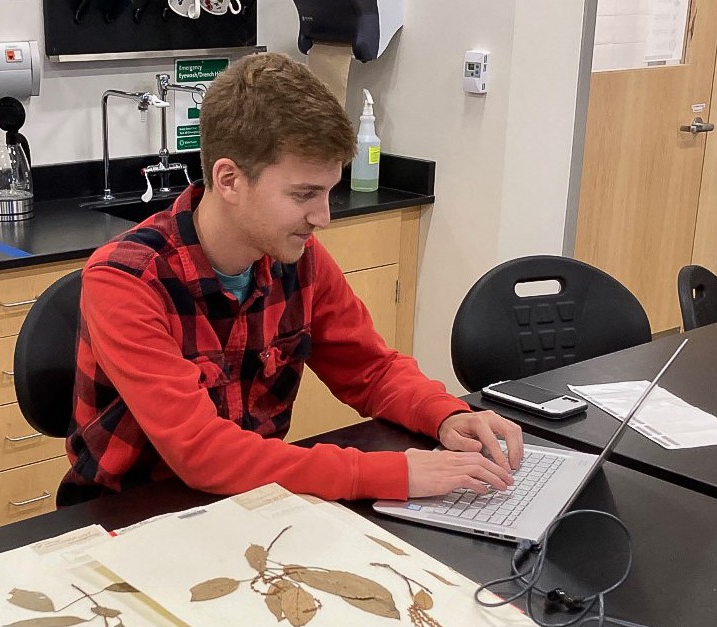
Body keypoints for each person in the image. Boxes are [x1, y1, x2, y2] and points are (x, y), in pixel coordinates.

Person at [58, 52, 523, 507]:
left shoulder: (299, 260)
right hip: (136, 516)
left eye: (327, 192)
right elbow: (203, 453)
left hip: (257, 502)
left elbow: (371, 370)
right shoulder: (126, 281)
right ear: (229, 180)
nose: (323, 217)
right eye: (304, 194)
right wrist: (388, 472)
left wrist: (444, 415)